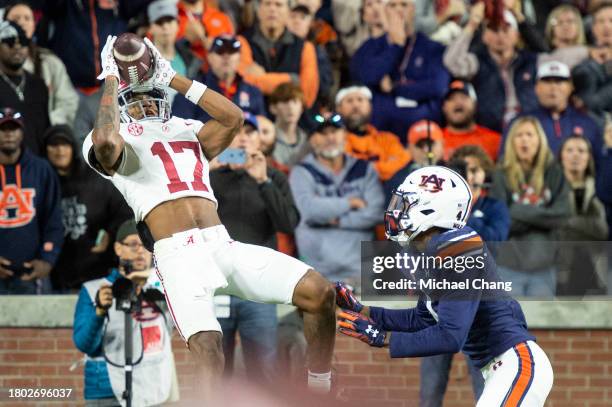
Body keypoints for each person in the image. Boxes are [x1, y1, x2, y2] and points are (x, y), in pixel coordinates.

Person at [84, 36, 336, 401]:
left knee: (319, 292)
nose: (146, 101)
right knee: (209, 350)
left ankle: (319, 391)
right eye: (136, 97)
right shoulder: (114, 135)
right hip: (178, 256)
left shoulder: (187, 128)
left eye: (151, 93)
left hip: (222, 244)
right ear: (121, 105)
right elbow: (106, 143)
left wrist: (173, 78)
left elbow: (234, 118)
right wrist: (110, 75)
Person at [335, 165, 554, 407]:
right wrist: (365, 312)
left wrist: (383, 337)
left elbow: (451, 335)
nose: (396, 211)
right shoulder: (429, 250)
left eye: (406, 203)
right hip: (499, 369)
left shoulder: (459, 247)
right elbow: (423, 319)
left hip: (515, 364)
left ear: (433, 208)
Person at [209, 112, 299, 385]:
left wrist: (263, 182)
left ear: (261, 140)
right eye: (237, 132)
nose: (243, 138)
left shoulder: (273, 177)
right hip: (218, 284)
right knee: (214, 368)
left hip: (258, 288)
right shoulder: (208, 175)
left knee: (264, 371)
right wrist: (204, 171)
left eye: (250, 132)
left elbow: (289, 223)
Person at [417, 145, 510, 407]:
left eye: (473, 170)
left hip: (481, 302)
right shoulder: (437, 209)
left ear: (484, 174)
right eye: (461, 171)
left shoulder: (494, 207)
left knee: (486, 388)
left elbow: (495, 242)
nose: (468, 176)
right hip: (440, 301)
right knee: (430, 389)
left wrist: (464, 212)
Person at [73, 220, 175, 406]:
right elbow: (84, 344)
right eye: (134, 244)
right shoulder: (94, 289)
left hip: (154, 387)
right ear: (118, 248)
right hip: (107, 389)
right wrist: (100, 312)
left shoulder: (164, 286)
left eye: (146, 245)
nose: (140, 250)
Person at [289, 112, 384, 287]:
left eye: (335, 131)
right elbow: (308, 210)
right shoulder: (301, 172)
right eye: (323, 133)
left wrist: (337, 220)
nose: (330, 137)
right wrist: (350, 203)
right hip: (317, 273)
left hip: (361, 271)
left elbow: (376, 213)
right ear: (312, 140)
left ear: (345, 135)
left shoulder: (364, 169)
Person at [44, 125, 132, 292]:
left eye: (65, 144)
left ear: (73, 148)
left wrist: (110, 233)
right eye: (53, 145)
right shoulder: (42, 182)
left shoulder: (96, 178)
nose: (60, 150)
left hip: (96, 268)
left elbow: (123, 211)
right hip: (55, 271)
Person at [490, 116, 571, 296]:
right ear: (512, 142)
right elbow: (501, 222)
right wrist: (543, 219)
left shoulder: (554, 171)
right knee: (508, 323)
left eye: (529, 134)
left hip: (545, 267)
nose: (524, 139)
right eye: (519, 135)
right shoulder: (501, 173)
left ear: (539, 140)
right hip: (508, 266)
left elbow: (562, 214)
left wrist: (517, 211)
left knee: (542, 323)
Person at [350, 0, 450, 142]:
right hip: (380, 132)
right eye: (392, 5)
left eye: (404, 5)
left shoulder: (431, 47)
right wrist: (396, 46)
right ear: (384, 11)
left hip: (421, 129)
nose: (398, 10)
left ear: (413, 10)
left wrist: (395, 88)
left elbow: (437, 86)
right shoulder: (370, 46)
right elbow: (364, 77)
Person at [0, 107, 63, 294]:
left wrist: (47, 260)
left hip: (33, 273)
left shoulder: (41, 169)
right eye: (3, 129)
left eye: (14, 128)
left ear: (22, 131)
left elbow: (54, 219)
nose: (9, 134)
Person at [4, 1, 78, 126]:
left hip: (44, 136)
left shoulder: (49, 62)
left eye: (27, 18)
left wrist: (46, 123)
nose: (21, 22)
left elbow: (68, 102)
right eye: (16, 18)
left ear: (34, 25)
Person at [508, 61, 602, 156]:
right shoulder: (519, 123)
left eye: (559, 81)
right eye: (547, 81)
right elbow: (506, 162)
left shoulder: (587, 123)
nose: (553, 87)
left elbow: (598, 164)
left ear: (570, 87)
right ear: (536, 87)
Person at [239, 0, 319, 109]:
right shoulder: (242, 41)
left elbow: (306, 94)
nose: (272, 9)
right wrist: (293, 80)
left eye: (278, 4)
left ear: (288, 12)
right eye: (267, 4)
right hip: (253, 116)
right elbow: (244, 81)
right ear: (258, 10)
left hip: (294, 120)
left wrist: (261, 79)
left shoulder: (305, 47)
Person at [556, 135, 609, 295]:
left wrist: (568, 222)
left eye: (581, 150)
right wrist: (586, 224)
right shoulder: (552, 189)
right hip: (559, 271)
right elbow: (554, 229)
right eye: (570, 150)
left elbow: (602, 231)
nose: (575, 155)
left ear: (589, 157)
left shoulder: (601, 189)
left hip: (596, 271)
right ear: (561, 156)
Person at [173, 35, 265, 122]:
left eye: (231, 51)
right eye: (220, 51)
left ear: (239, 58)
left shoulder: (253, 92)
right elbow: (180, 129)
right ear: (209, 57)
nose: (226, 56)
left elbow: (263, 128)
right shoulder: (191, 89)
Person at [335, 85, 410, 182]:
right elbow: (343, 171)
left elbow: (401, 164)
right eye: (349, 101)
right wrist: (385, 166)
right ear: (338, 108)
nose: (356, 105)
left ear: (370, 106)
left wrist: (362, 169)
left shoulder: (388, 139)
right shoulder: (334, 140)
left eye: (360, 100)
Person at [0, 21, 49, 155]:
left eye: (22, 42)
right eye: (9, 42)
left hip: (36, 166)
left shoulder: (39, 84)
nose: (17, 47)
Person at [148, 0, 202, 105]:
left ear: (178, 25)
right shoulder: (140, 60)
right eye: (159, 22)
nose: (165, 27)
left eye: (169, 21)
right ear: (151, 28)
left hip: (184, 119)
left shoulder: (192, 61)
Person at [441, 80, 501, 162]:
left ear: (475, 104)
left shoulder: (496, 141)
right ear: (444, 107)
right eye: (452, 99)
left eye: (464, 97)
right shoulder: (435, 141)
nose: (458, 102)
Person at [572, 3, 612, 128]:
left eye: (611, 20)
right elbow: (592, 104)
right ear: (593, 28)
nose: (606, 26)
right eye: (600, 21)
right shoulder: (583, 64)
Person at [384, 120, 444, 202]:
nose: (426, 150)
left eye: (431, 144)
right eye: (420, 145)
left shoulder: (456, 173)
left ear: (442, 144)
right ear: (409, 148)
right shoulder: (398, 180)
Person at [268, 82, 309, 168]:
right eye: (285, 102)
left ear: (302, 108)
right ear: (273, 108)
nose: (291, 107)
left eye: (295, 102)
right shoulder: (262, 136)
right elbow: (233, 158)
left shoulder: (308, 140)